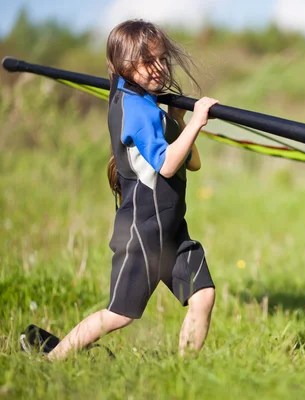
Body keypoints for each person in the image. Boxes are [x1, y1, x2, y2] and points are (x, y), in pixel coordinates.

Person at [47, 19, 219, 360]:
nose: (158, 68)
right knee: (118, 315)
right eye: (147, 62)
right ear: (124, 65)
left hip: (171, 232)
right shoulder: (137, 110)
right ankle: (51, 360)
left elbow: (192, 164)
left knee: (203, 295)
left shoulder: (146, 103)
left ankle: (183, 373)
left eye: (162, 59)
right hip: (142, 233)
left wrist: (181, 121)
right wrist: (198, 120)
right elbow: (168, 165)